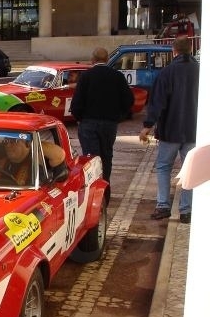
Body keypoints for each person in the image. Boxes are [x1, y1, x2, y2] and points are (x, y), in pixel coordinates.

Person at [139, 36, 199, 224]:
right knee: (189, 170)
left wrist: (147, 126)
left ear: (174, 51)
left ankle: (163, 206)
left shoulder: (167, 73)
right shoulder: (201, 71)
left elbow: (157, 103)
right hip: (193, 130)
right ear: (190, 50)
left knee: (164, 167)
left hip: (170, 130)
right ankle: (186, 210)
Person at [69, 47, 134, 183]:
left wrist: (79, 118)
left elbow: (76, 103)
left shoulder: (86, 76)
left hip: (88, 122)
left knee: (91, 157)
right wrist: (119, 116)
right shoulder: (117, 76)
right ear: (107, 59)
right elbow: (128, 100)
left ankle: (94, 187)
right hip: (109, 123)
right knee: (106, 156)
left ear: (92, 60)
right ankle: (105, 184)